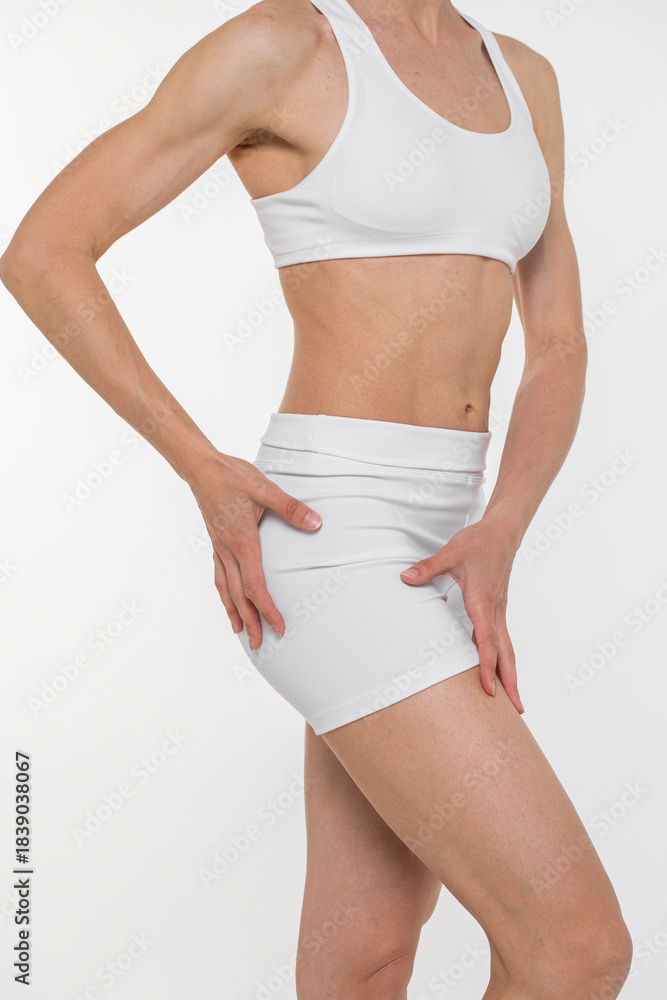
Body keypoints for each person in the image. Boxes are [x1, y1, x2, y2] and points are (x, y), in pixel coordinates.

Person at [0, 0, 633, 997]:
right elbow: (43, 251)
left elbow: (557, 342)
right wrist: (199, 464)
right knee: (576, 950)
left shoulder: (522, 75)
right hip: (329, 535)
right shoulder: (282, 46)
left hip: (453, 540)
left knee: (364, 956)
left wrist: (503, 524)